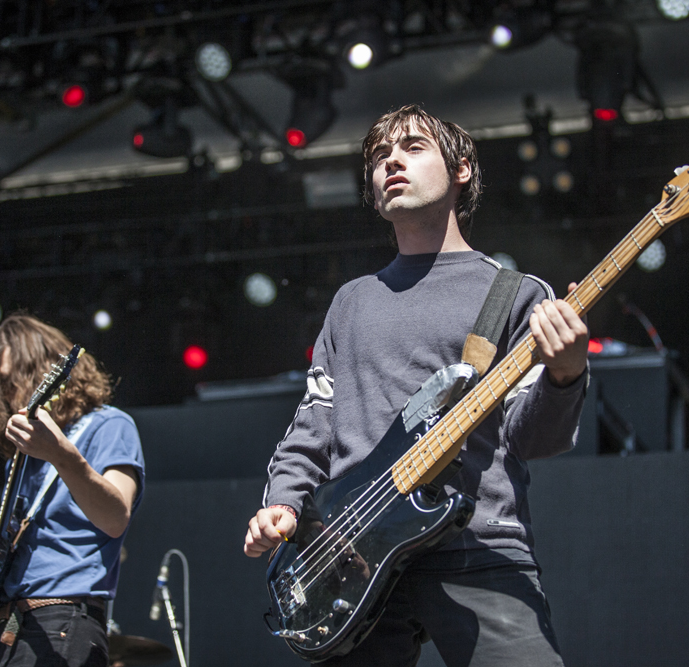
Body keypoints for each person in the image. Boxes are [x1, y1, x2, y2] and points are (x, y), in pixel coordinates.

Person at [244, 105, 589, 666]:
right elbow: (314, 423)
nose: (391, 163)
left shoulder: (516, 294)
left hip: (476, 544)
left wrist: (566, 372)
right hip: (350, 557)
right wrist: (283, 501)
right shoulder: (352, 302)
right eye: (379, 157)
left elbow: (535, 438)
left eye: (412, 148)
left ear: (463, 169)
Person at [0, 314, 144, 667]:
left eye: (14, 380)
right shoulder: (25, 457)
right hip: (8, 625)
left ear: (45, 370)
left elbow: (116, 517)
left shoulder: (110, 424)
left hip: (61, 620)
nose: (10, 394)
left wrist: (61, 454)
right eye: (2, 385)